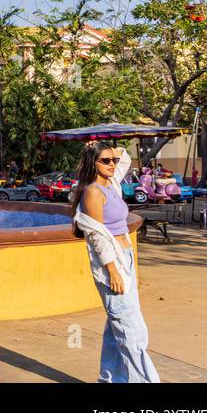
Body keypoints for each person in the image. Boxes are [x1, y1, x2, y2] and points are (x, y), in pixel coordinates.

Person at [70, 141, 160, 383]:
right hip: (111, 264)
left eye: (113, 161)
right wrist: (113, 272)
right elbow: (97, 237)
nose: (112, 164)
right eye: (105, 161)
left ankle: (110, 379)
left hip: (125, 258)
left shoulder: (111, 184)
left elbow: (126, 159)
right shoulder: (93, 192)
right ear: (93, 164)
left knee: (116, 327)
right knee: (130, 330)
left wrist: (103, 146)